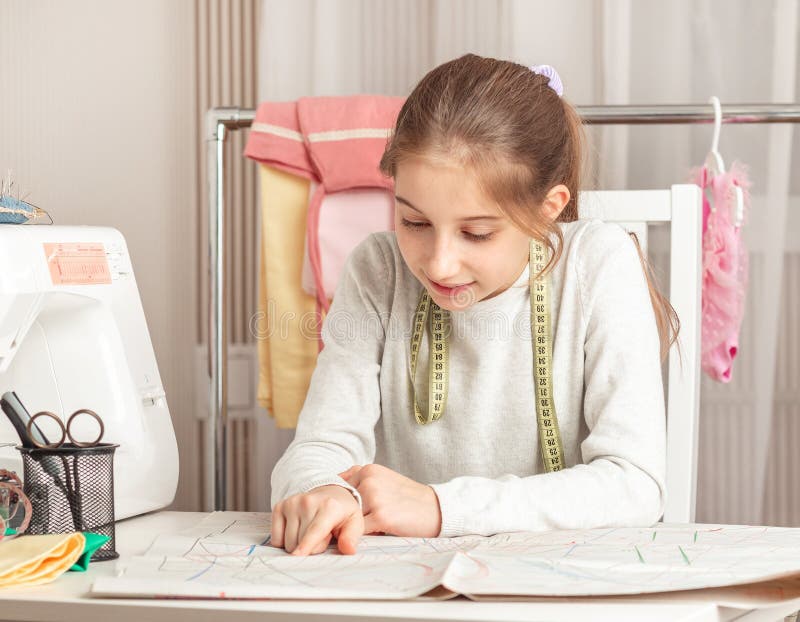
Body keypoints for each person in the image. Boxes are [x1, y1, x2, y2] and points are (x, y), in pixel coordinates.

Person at [270, 53, 678, 557]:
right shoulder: (377, 269)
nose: (439, 265)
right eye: (415, 223)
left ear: (547, 210)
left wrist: (442, 509)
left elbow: (634, 483)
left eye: (476, 232)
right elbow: (317, 447)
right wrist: (323, 489)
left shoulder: (598, 265)